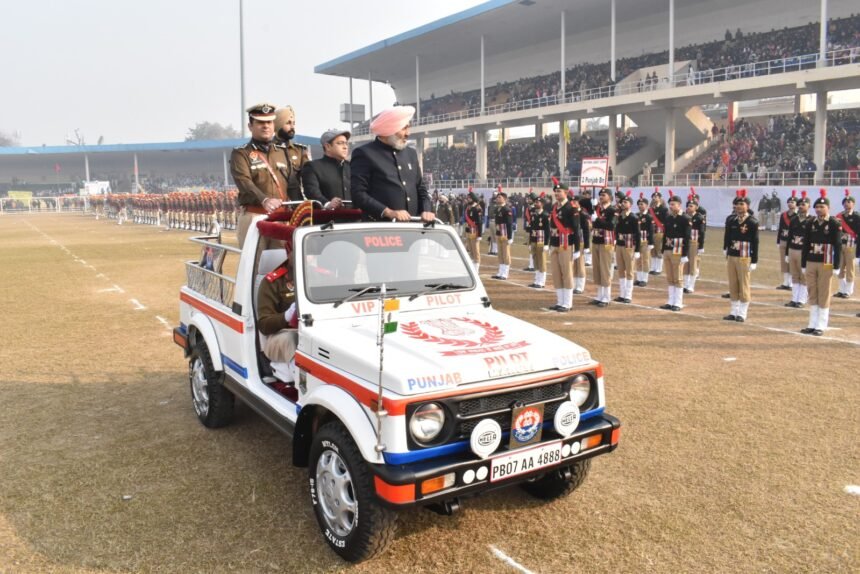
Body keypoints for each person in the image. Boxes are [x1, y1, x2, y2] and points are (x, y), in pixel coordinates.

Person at [350, 105, 434, 222]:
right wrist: (388, 212)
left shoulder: (411, 153)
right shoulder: (364, 153)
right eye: (404, 128)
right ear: (389, 130)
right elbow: (358, 194)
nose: (407, 133)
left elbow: (421, 189)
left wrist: (426, 210)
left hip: (412, 228)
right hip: (381, 229)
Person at [230, 102, 288, 247]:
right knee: (255, 266)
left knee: (285, 264)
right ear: (250, 126)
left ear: (274, 125)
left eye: (269, 122)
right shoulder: (241, 153)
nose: (265, 126)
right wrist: (264, 199)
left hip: (281, 217)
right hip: (253, 216)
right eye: (260, 122)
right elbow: (244, 181)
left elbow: (292, 183)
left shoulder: (283, 152)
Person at [801, 190, 843, 335]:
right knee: (812, 291)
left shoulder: (833, 223)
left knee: (824, 292)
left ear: (828, 208)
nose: (819, 209)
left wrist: (837, 265)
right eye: (817, 206)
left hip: (826, 261)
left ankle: (821, 325)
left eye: (822, 207)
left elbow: (838, 245)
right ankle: (812, 323)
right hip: (811, 260)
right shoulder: (810, 222)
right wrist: (803, 263)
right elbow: (806, 243)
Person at [257, 250, 299, 383]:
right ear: (289, 253)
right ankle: (301, 385)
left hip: (310, 331)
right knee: (294, 338)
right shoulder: (273, 282)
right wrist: (287, 316)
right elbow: (264, 324)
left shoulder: (317, 275)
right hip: (279, 335)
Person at [723, 190, 759, 323]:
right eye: (737, 204)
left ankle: (742, 313)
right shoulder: (732, 220)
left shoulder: (752, 222)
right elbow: (728, 236)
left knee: (744, 284)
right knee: (733, 283)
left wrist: (754, 260)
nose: (739, 207)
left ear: (747, 206)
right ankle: (733, 311)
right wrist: (725, 248)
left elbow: (755, 242)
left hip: (744, 255)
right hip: (732, 254)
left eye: (742, 204)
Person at [548, 179, 581, 312]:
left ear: (566, 192)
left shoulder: (571, 208)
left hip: (566, 243)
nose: (556, 193)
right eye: (555, 191)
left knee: (566, 273)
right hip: (555, 243)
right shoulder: (555, 207)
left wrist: (577, 248)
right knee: (556, 273)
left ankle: (567, 303)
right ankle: (560, 301)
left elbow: (576, 228)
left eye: (559, 191)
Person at [301, 129, 351, 208]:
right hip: (327, 217)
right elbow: (311, 191)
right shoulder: (313, 166)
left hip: (356, 218)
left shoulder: (352, 167)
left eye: (346, 143)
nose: (345, 147)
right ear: (327, 146)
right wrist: (327, 204)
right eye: (340, 143)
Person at [659, 195, 690, 312]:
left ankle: (678, 302)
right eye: (670, 204)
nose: (671, 206)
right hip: (667, 248)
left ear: (679, 205)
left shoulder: (685, 218)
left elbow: (687, 237)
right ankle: (670, 301)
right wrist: (663, 249)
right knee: (670, 277)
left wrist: (685, 254)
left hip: (678, 249)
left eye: (673, 204)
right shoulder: (668, 218)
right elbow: (665, 234)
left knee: (678, 277)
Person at [273, 106, 311, 201]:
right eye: (288, 123)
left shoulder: (300, 151)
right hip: (275, 204)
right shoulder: (268, 149)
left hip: (296, 206)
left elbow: (309, 179)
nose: (292, 127)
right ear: (278, 124)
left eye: (294, 123)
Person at [590, 188, 617, 307]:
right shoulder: (598, 209)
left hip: (606, 242)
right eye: (600, 195)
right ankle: (599, 295)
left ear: (610, 197)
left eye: (604, 195)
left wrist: (598, 220)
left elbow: (611, 226)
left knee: (605, 269)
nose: (601, 197)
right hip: (596, 240)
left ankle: (606, 297)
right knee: (597, 269)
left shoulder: (613, 210)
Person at [784, 191, 811, 308]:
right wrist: (786, 253)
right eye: (799, 205)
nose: (800, 206)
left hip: (803, 250)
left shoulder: (811, 220)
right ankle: (794, 298)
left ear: (809, 206)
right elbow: (789, 236)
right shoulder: (794, 219)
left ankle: (801, 299)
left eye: (803, 205)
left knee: (803, 275)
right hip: (792, 249)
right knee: (794, 275)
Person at [614, 191, 640, 304]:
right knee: (621, 270)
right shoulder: (619, 217)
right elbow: (615, 228)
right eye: (622, 202)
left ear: (630, 205)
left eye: (625, 202)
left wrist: (637, 249)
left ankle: (628, 295)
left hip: (629, 245)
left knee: (629, 271)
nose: (623, 204)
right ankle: (622, 293)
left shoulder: (634, 218)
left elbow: (638, 234)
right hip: (619, 245)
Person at [834, 191, 859, 299]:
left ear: (853, 204)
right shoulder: (839, 216)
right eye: (845, 202)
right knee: (840, 267)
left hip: (851, 245)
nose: (847, 204)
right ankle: (841, 289)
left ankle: (848, 291)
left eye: (849, 202)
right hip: (841, 245)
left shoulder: (857, 216)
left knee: (850, 268)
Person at [775, 191, 798, 290]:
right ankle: (785, 282)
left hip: (793, 241)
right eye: (789, 202)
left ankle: (792, 283)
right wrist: (778, 240)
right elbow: (780, 228)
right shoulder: (783, 215)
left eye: (792, 202)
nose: (790, 204)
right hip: (784, 240)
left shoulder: (798, 216)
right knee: (784, 262)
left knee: (792, 262)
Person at [683, 196, 706, 294]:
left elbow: (702, 232)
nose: (689, 207)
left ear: (696, 207)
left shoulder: (699, 217)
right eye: (688, 205)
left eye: (691, 206)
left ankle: (691, 286)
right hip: (685, 242)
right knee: (685, 263)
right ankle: (685, 284)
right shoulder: (684, 216)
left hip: (693, 242)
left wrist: (701, 246)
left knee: (692, 263)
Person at [527, 195, 551, 289]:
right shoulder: (534, 214)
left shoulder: (545, 215)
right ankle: (536, 280)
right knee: (535, 259)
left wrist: (546, 244)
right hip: (534, 239)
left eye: (538, 202)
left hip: (541, 239)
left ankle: (541, 281)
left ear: (542, 204)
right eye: (535, 202)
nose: (536, 204)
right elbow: (531, 228)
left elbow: (547, 230)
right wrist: (529, 242)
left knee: (542, 260)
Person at [491, 192, 514, 280]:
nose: (497, 199)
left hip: (505, 234)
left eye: (499, 197)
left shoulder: (507, 210)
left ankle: (505, 273)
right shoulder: (497, 209)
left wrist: (510, 237)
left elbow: (509, 224)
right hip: (498, 233)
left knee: (506, 254)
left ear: (504, 199)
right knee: (500, 253)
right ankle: (500, 271)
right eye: (497, 197)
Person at [634, 194, 654, 287]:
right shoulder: (636, 215)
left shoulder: (649, 217)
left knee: (645, 259)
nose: (640, 206)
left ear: (647, 205)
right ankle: (639, 278)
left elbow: (651, 230)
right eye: (639, 204)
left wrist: (651, 242)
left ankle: (644, 279)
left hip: (645, 240)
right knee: (638, 259)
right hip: (637, 240)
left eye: (642, 204)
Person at [649, 190, 668, 275]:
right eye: (653, 197)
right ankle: (653, 267)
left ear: (660, 198)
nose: (654, 198)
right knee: (652, 250)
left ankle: (659, 269)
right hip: (652, 231)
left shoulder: (664, 209)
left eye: (656, 197)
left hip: (659, 231)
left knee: (658, 249)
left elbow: (666, 220)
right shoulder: (651, 209)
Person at [464, 190, 483, 272]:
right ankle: (472, 265)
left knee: (476, 250)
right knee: (470, 249)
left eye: (469, 198)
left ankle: (476, 268)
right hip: (469, 230)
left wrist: (479, 235)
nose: (468, 199)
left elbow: (479, 222)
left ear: (473, 198)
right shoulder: (468, 207)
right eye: (467, 198)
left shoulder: (477, 208)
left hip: (475, 231)